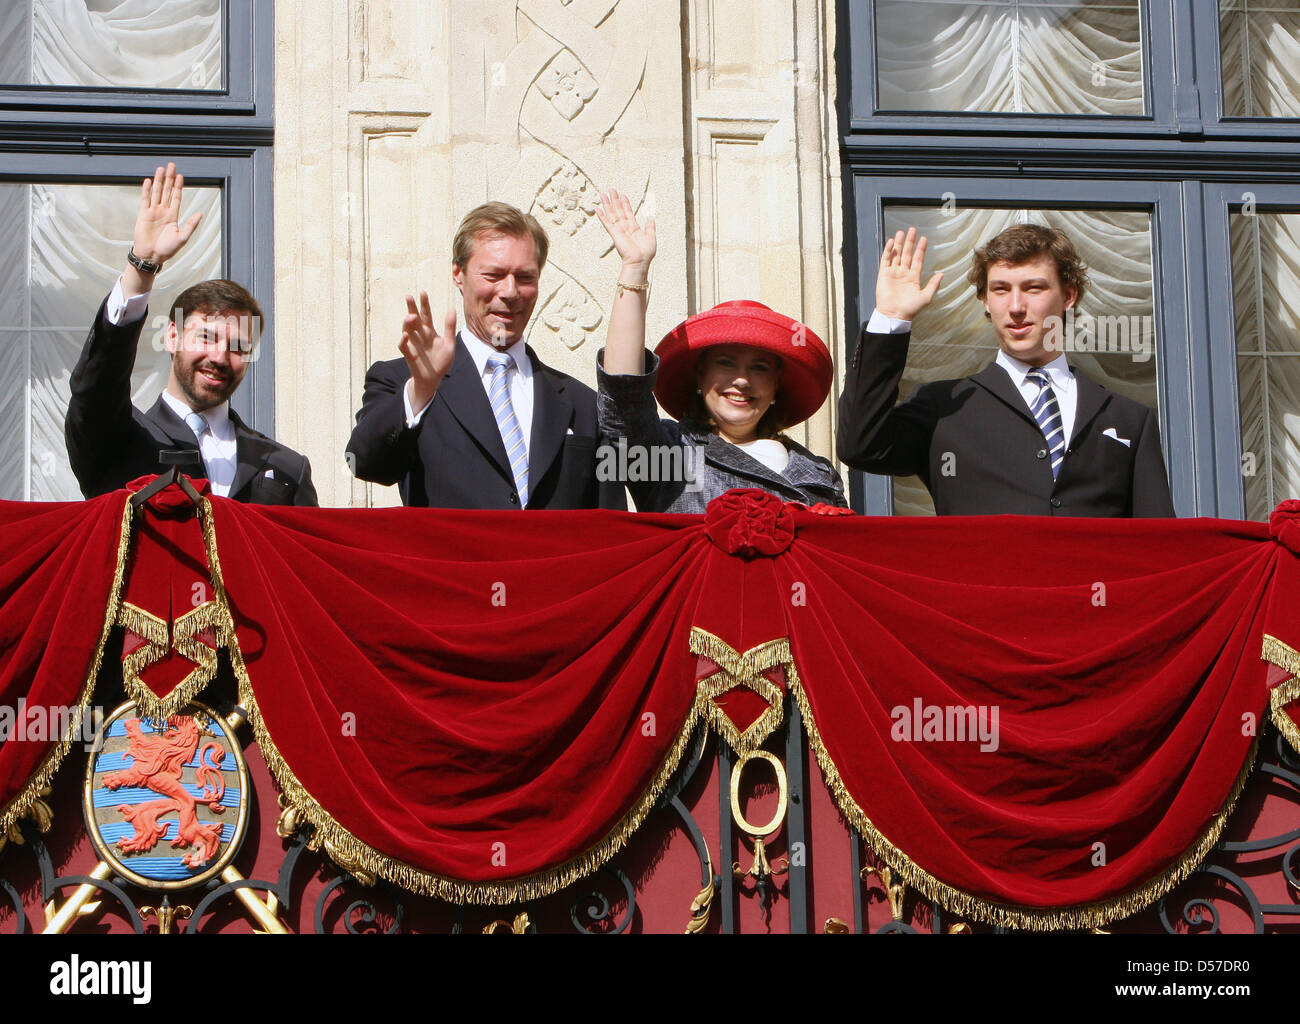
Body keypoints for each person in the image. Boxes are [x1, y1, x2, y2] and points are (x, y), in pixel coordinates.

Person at [837, 224, 1175, 517]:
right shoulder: (942, 407)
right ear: (985, 300)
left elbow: (1161, 548)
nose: (1015, 307)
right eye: (1000, 289)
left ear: (1069, 295)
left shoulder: (1130, 420)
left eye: (1033, 288)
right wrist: (891, 320)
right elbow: (861, 446)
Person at [66, 163, 317, 505]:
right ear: (172, 337)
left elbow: (300, 558)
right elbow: (94, 387)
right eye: (206, 337)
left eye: (238, 347)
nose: (219, 356)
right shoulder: (117, 439)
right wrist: (142, 265)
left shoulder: (287, 467)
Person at [346, 202, 623, 510]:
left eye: (525, 277)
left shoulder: (582, 404)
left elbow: (611, 530)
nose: (510, 291)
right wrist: (420, 391)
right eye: (493, 275)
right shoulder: (405, 382)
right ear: (458, 274)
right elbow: (363, 463)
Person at [595, 189, 846, 513]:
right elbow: (623, 397)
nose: (742, 380)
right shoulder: (669, 454)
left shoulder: (818, 473)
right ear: (700, 375)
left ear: (776, 386)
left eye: (759, 368)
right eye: (726, 363)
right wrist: (634, 269)